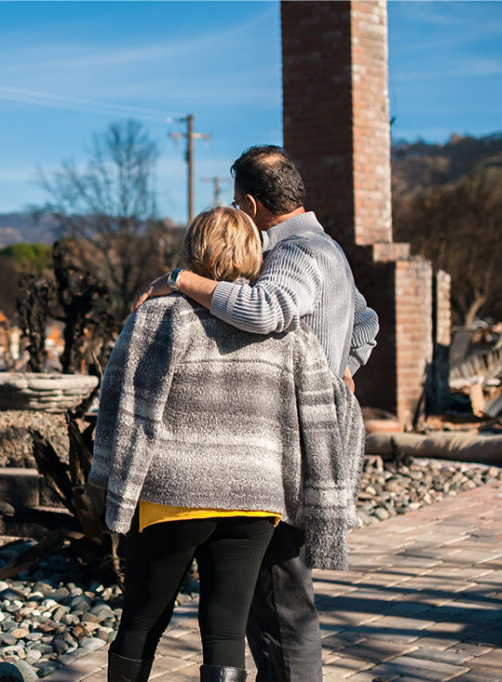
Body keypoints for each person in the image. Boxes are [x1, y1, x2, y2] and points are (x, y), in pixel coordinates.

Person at [134, 145, 380, 682]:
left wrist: (182, 281)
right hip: (306, 431)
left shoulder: (293, 255)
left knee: (279, 596)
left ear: (249, 202)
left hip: (291, 437)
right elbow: (366, 321)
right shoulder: (328, 248)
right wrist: (343, 368)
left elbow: (265, 311)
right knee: (281, 592)